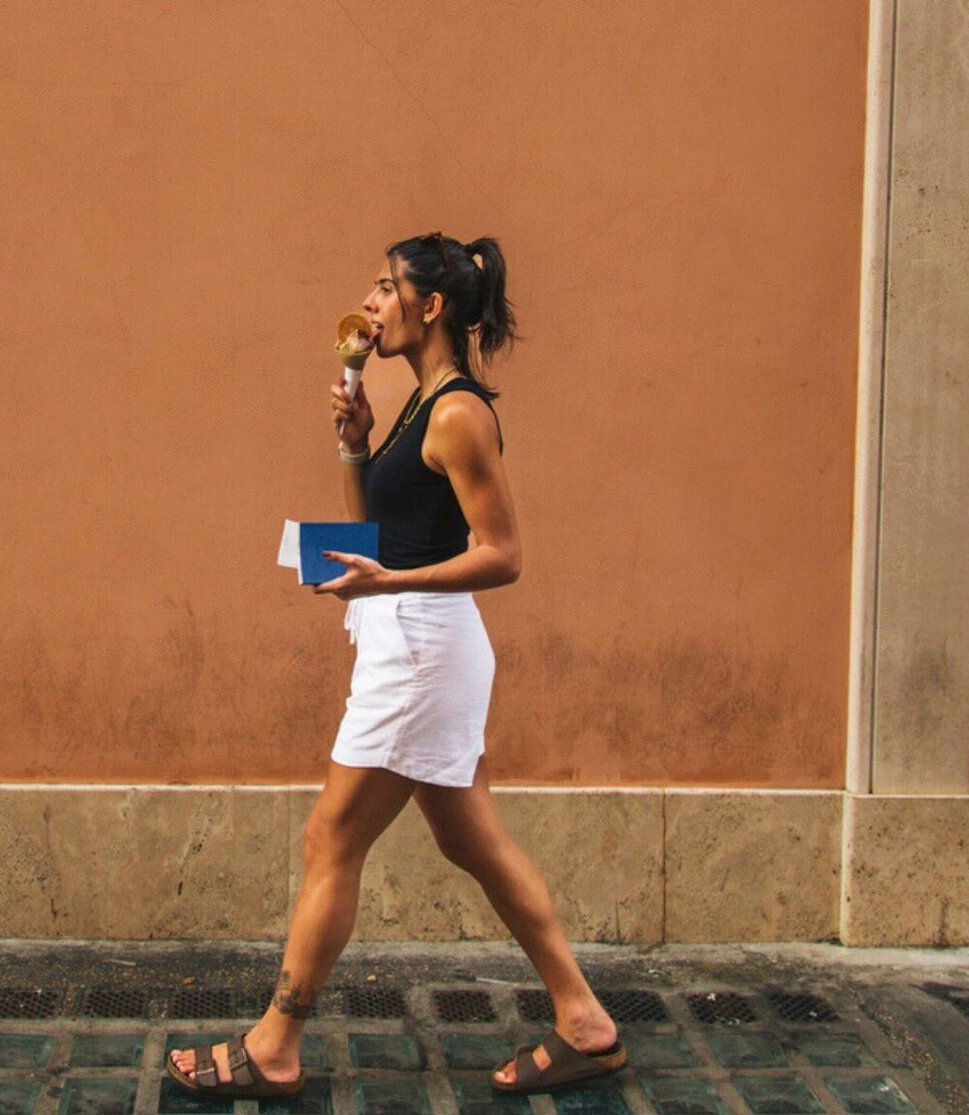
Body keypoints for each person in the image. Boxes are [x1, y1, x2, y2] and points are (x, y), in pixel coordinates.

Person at [165, 232, 627, 1098]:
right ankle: (586, 1020)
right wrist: (355, 443)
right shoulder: (413, 403)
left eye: (387, 286)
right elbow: (377, 533)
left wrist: (394, 581)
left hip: (420, 645)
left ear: (433, 306)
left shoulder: (457, 411)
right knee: (470, 837)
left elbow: (505, 553)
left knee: (330, 836)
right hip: (406, 633)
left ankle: (275, 1043)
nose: (372, 302)